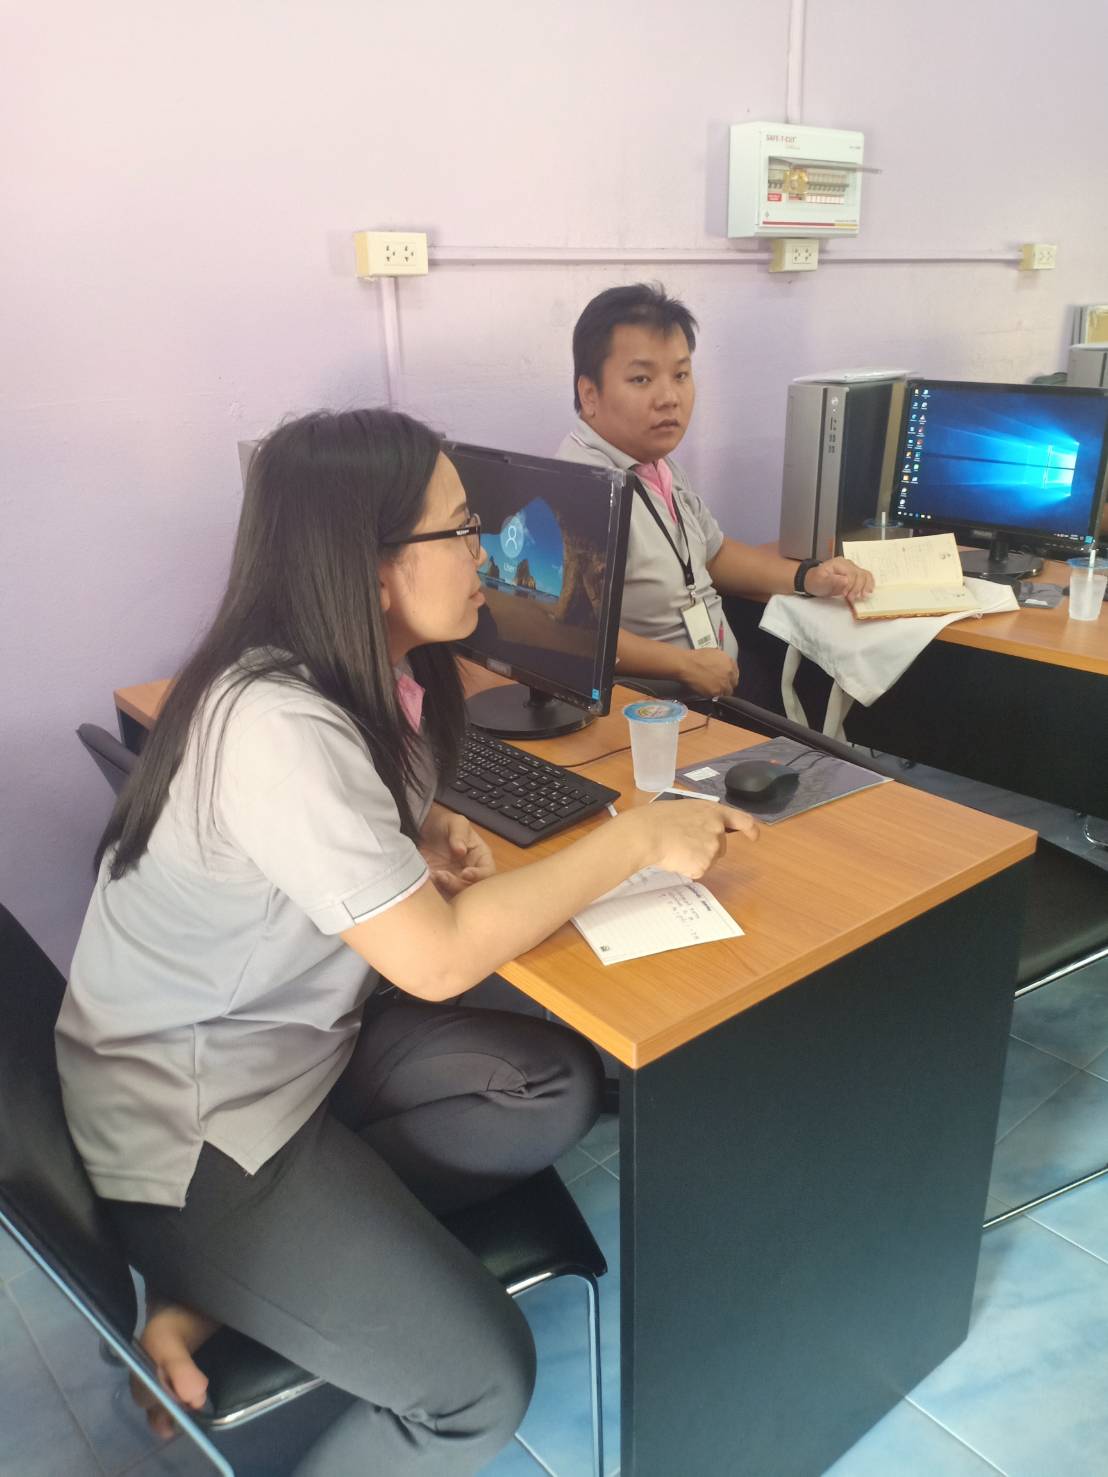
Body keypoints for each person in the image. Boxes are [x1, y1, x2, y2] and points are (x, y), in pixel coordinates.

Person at [56, 407, 757, 1476]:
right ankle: (216, 1268)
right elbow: (435, 961)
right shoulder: (276, 724)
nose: (491, 557)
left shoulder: (354, 679)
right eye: (464, 530)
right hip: (196, 1133)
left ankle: (253, 1277)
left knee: (549, 1087)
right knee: (481, 1385)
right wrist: (636, 840)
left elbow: (325, 841)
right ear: (372, 564)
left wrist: (410, 836)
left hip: (292, 1051)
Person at [557, 283, 874, 700]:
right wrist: (683, 665)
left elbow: (714, 552)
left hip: (720, 676)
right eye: (641, 379)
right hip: (663, 703)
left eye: (680, 375)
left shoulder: (654, 462)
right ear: (589, 394)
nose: (669, 398)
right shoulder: (583, 487)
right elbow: (574, 632)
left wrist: (808, 577)